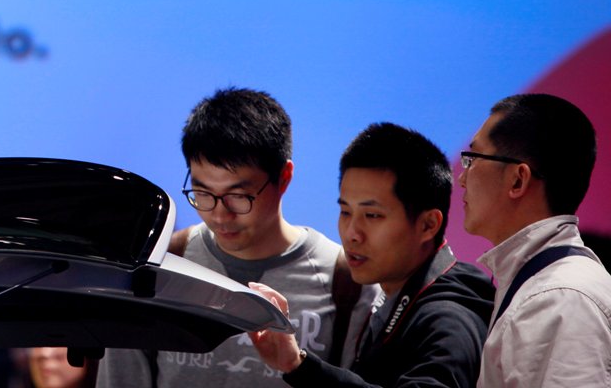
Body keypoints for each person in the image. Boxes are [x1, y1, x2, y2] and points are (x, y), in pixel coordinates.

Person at [97, 88, 376, 388]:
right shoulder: (158, 267)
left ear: (284, 178)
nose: (219, 215)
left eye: (239, 196)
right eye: (202, 193)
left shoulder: (346, 283)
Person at [248, 122, 494, 387]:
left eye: (372, 215)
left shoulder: (448, 319)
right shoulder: (402, 295)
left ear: (428, 225)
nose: (352, 233)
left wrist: (300, 367)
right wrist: (296, 365)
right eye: (345, 212)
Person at [459, 93, 611, 387]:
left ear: (518, 179)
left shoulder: (559, 299)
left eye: (474, 158)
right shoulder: (544, 287)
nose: (462, 178)